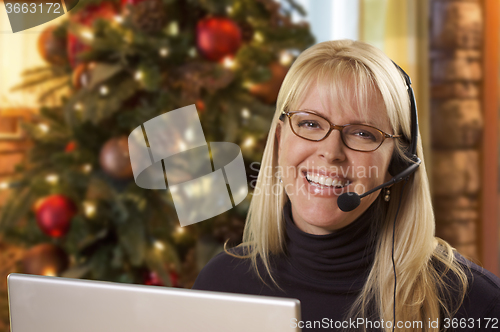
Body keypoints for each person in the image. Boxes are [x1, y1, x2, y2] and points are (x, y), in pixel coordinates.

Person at [191, 40, 500, 332]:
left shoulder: (474, 303)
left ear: (398, 163)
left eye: (363, 133)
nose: (331, 152)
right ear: (279, 139)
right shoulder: (221, 285)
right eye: (310, 123)